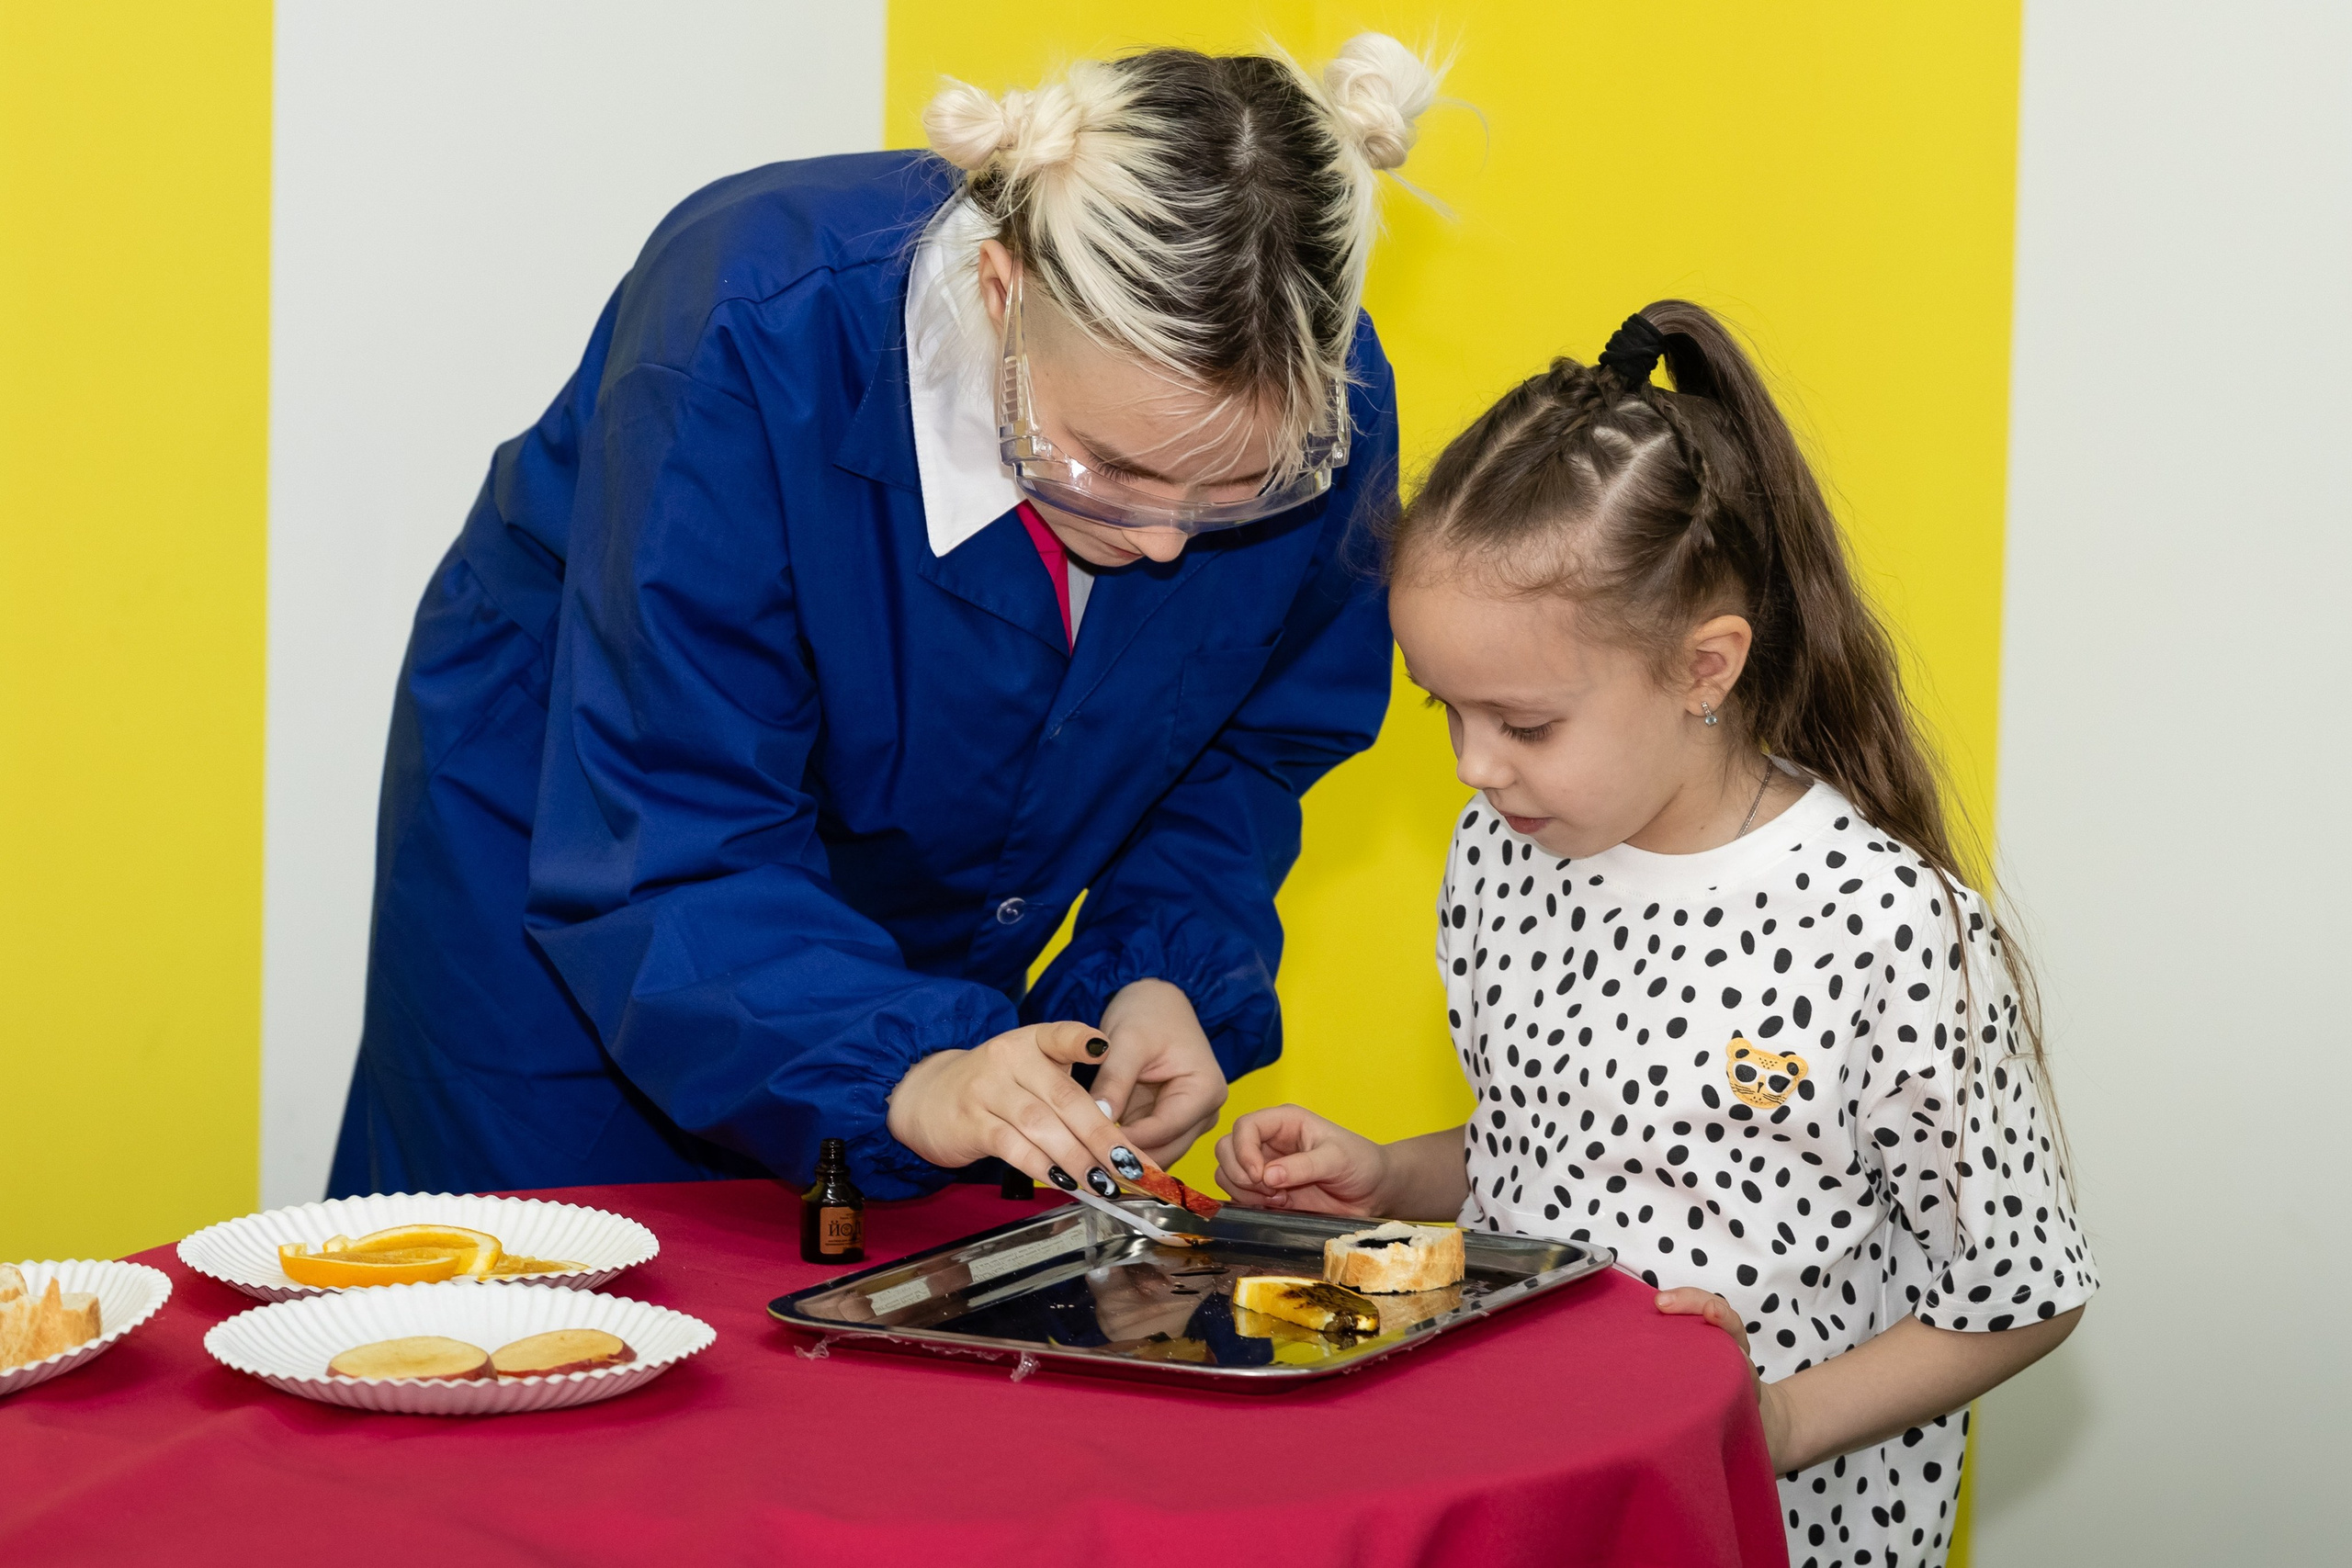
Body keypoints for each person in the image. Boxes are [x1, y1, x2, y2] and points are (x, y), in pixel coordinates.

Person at [329, 36, 1443, 1202]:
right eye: (1109, 468)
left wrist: (1156, 968)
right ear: (1001, 287)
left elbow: (1246, 742)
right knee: (549, 1291)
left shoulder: (1310, 400)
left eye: (1233, 496)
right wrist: (910, 1067)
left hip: (926, 863)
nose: (1167, 542)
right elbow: (671, 826)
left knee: (873, 1306)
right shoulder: (744, 326)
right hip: (590, 841)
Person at [1214, 303, 2098, 1568]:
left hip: (1760, 1519)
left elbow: (2019, 1293)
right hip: (1544, 1485)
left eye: (1522, 723)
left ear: (1705, 666)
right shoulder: (1505, 855)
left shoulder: (1887, 928)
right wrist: (1394, 1176)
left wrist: (1773, 1419)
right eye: (1443, 711)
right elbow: (1568, 1143)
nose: (1473, 768)